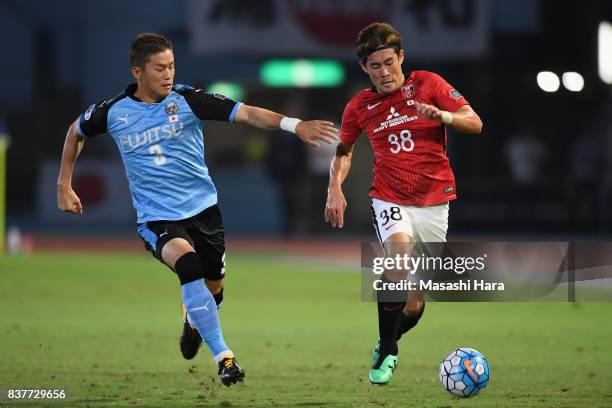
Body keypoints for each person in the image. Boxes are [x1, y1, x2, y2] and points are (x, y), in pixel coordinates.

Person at [57, 33, 337, 387]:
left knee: (214, 289)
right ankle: (225, 358)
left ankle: (192, 323)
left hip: (204, 214)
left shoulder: (188, 100)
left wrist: (295, 125)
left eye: (172, 65)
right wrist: (64, 184)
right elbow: (74, 131)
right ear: (138, 72)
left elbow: (247, 113)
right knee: (188, 266)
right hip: (156, 219)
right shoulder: (112, 112)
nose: (169, 73)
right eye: (160, 68)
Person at [324, 22, 482, 385]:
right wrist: (334, 185)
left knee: (413, 303)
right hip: (390, 196)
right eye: (375, 66)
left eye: (389, 62)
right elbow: (343, 151)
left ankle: (387, 340)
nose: (384, 72)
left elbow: (475, 123)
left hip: (435, 200)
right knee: (396, 261)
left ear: (401, 58)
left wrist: (444, 116)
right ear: (364, 68)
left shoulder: (428, 83)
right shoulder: (359, 107)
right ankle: (389, 350)